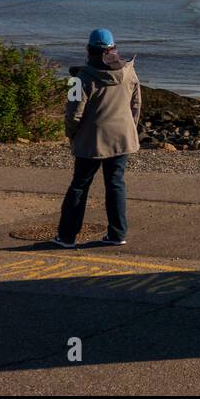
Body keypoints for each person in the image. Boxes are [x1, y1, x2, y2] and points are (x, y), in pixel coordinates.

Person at [54, 28, 141, 247]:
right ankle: (117, 234)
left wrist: (71, 136)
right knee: (116, 184)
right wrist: (130, 128)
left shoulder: (79, 79)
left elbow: (72, 114)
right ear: (113, 48)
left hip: (91, 142)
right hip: (122, 138)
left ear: (88, 50)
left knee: (79, 186)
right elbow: (136, 104)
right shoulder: (129, 71)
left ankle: (67, 237)